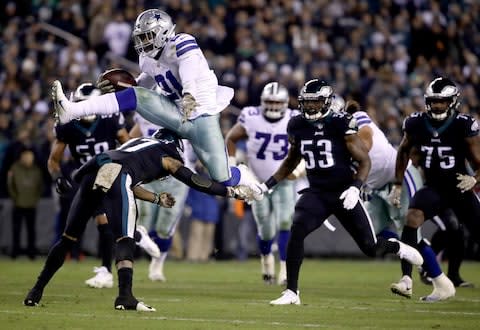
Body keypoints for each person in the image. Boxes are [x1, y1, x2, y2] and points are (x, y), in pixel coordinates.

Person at [23, 129, 254, 311]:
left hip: (96, 168)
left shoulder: (136, 144)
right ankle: (125, 296)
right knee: (125, 237)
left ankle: (35, 291)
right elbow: (195, 181)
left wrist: (155, 199)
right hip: (117, 175)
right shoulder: (168, 154)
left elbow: (124, 177)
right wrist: (230, 192)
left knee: (68, 238)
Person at [50, 9, 261, 197]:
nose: (143, 42)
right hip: (177, 112)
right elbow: (143, 85)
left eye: (148, 36)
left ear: (163, 32)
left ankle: (243, 175)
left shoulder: (181, 43)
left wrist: (189, 93)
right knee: (138, 98)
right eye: (141, 37)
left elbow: (189, 69)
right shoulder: (147, 59)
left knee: (222, 178)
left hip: (200, 115)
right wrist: (124, 85)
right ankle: (73, 110)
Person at [253, 79, 423, 305]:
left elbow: (364, 162)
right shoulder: (297, 124)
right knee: (297, 230)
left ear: (326, 103)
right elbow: (292, 160)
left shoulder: (341, 123)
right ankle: (292, 292)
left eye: (315, 103)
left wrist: (355, 188)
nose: (310, 107)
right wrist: (267, 185)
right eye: (307, 102)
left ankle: (397, 247)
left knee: (370, 248)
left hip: (344, 192)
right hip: (317, 193)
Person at [48, 83, 159, 289]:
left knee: (103, 221)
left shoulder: (109, 119)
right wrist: (57, 177)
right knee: (97, 226)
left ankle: (106, 271)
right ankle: (136, 235)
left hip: (110, 174)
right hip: (84, 179)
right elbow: (54, 160)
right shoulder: (69, 125)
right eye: (80, 104)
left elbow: (126, 145)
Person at [344, 100, 455, 301]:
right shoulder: (332, 140)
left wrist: (348, 158)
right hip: (376, 188)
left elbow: (366, 141)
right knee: (366, 230)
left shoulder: (358, 121)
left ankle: (411, 280)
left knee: (410, 230)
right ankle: (439, 280)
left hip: (400, 178)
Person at [388, 77, 480, 299]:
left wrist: (475, 179)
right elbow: (403, 151)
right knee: (411, 219)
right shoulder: (416, 123)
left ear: (453, 102)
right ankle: (406, 279)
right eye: (434, 100)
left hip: (459, 186)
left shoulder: (463, 124)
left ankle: (448, 278)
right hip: (434, 188)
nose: (437, 105)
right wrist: (398, 184)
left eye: (442, 101)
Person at [225, 82, 298, 285]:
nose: (273, 106)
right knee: (265, 229)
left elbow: (305, 146)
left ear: (285, 103)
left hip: (283, 181)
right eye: (270, 102)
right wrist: (232, 166)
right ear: (263, 102)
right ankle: (266, 260)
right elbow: (231, 138)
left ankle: (284, 269)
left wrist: (300, 169)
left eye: (277, 103)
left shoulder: (294, 119)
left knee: (285, 222)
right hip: (257, 182)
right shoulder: (251, 116)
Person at [129, 113, 194, 281]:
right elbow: (130, 139)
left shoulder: (185, 115)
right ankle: (127, 262)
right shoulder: (145, 115)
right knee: (143, 220)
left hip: (177, 176)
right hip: (151, 174)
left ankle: (158, 263)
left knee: (165, 226)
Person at [7, 149, 43, 259]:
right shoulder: (15, 168)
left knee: (31, 230)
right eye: (26, 156)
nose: (28, 159)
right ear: (22, 157)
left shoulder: (36, 170)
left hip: (31, 204)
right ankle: (15, 253)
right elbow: (10, 184)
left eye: (30, 157)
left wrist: (35, 199)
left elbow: (40, 186)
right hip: (18, 204)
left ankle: (31, 254)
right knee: (16, 230)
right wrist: (15, 199)